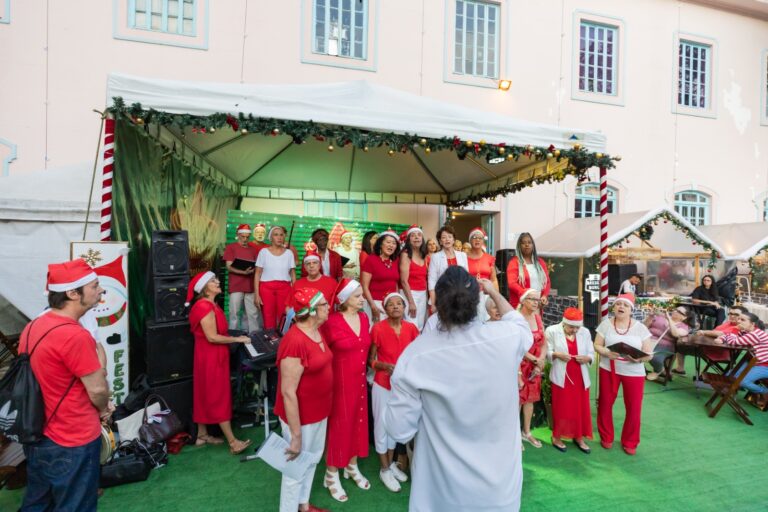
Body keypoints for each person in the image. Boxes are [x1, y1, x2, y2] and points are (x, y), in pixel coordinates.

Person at [384, 268, 533, 512]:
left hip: (440, 496)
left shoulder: (415, 355)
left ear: (435, 302)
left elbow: (399, 430)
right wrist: (493, 291)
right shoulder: (506, 338)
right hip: (499, 495)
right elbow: (518, 322)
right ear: (477, 301)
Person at [20, 259, 112, 512]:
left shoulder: (32, 326)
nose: (100, 290)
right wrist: (104, 408)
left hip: (39, 432)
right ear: (73, 294)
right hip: (73, 436)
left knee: (38, 502)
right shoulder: (74, 335)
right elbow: (97, 389)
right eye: (94, 286)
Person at [274, 288, 333, 512]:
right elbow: (288, 392)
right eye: (324, 304)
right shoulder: (294, 341)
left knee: (312, 459)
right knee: (295, 469)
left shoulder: (316, 331)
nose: (329, 307)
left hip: (318, 412)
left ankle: (303, 505)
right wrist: (296, 435)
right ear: (312, 311)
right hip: (301, 418)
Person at [187, 271, 252, 454]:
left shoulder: (209, 305)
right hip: (211, 357)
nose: (217, 282)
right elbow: (212, 337)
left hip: (208, 356)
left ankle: (202, 435)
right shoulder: (204, 306)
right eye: (213, 281)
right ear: (205, 288)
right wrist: (238, 339)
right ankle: (233, 442)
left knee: (204, 393)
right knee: (218, 396)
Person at [319, 279, 371, 502]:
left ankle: (352, 465)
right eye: (357, 296)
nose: (362, 299)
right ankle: (331, 473)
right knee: (339, 426)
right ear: (344, 299)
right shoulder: (331, 322)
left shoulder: (364, 318)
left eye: (362, 295)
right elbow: (320, 352)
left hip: (359, 382)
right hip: (338, 384)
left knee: (358, 421)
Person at [369, 292, 418, 492]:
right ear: (385, 308)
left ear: (405, 307)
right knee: (381, 426)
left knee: (394, 426)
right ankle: (384, 469)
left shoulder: (412, 329)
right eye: (391, 304)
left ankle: (390, 466)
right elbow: (370, 360)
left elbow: (417, 355)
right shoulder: (378, 328)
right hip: (382, 384)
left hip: (403, 386)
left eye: (399, 303)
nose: (396, 306)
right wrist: (382, 365)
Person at [593, 294, 653, 455]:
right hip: (608, 369)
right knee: (605, 404)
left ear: (631, 310)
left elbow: (649, 354)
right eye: (618, 304)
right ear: (613, 307)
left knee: (634, 408)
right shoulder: (605, 324)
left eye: (625, 305)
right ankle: (606, 437)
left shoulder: (641, 328)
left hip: (634, 372)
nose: (621, 307)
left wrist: (639, 359)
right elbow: (597, 345)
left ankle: (630, 441)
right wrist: (606, 352)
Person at [545, 308, 594, 454]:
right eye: (572, 327)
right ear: (564, 323)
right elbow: (546, 351)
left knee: (580, 408)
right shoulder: (552, 330)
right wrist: (556, 354)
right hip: (562, 376)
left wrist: (587, 358)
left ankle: (579, 437)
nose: (575, 330)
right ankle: (557, 437)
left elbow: (591, 352)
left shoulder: (585, 332)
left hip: (580, 376)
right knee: (562, 407)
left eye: (577, 327)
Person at [714, 311, 768, 401]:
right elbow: (728, 336)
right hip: (753, 361)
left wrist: (735, 330)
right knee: (730, 375)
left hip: (764, 365)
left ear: (752, 324)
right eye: (739, 319)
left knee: (743, 382)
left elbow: (733, 341)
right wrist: (722, 339)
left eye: (743, 320)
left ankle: (764, 391)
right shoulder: (747, 332)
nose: (738, 321)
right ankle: (730, 392)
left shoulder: (755, 335)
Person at [517, 288, 547, 449]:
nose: (536, 302)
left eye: (537, 299)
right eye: (532, 299)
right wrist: (535, 360)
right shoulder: (516, 318)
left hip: (535, 366)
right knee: (518, 399)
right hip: (520, 365)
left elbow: (544, 342)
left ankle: (526, 432)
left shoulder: (537, 317)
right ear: (523, 300)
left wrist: (541, 360)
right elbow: (516, 345)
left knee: (530, 399)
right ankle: (514, 434)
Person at [254, 226, 296, 331]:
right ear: (271, 237)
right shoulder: (263, 252)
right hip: (266, 288)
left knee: (284, 315)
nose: (279, 237)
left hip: (285, 288)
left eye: (281, 235)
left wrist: (294, 293)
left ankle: (283, 338)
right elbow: (257, 273)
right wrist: (256, 295)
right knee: (268, 315)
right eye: (276, 235)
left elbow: (293, 274)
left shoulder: (289, 253)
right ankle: (270, 338)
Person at [223, 223, 261, 332]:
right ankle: (233, 334)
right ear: (238, 235)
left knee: (251, 313)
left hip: (250, 286)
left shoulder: (253, 250)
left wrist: (253, 270)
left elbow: (257, 266)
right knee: (234, 313)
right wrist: (244, 272)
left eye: (247, 237)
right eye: (242, 236)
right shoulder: (231, 247)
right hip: (236, 286)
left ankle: (251, 335)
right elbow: (229, 267)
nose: (245, 239)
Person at [361, 229, 401, 324]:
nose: (391, 245)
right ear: (380, 244)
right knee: (374, 329)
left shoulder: (395, 261)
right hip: (374, 302)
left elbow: (395, 283)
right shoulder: (371, 259)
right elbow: (364, 286)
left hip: (390, 304)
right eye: (388, 242)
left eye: (394, 243)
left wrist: (396, 301)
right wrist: (373, 306)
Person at [644, 305, 694, 381]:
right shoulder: (659, 317)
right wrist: (650, 316)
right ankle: (641, 369)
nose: (675, 311)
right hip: (648, 340)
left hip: (665, 346)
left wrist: (669, 319)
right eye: (675, 309)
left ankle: (658, 370)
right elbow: (644, 327)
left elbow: (675, 334)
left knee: (655, 358)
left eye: (679, 312)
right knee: (633, 349)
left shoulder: (684, 326)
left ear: (684, 317)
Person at [427, 225, 468, 315]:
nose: (447, 239)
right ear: (440, 241)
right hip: (442, 298)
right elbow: (432, 281)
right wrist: (433, 303)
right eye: (444, 237)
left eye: (450, 236)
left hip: (459, 298)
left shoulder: (462, 255)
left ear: (453, 240)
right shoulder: (435, 257)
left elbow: (466, 278)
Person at [506, 232, 551, 308]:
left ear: (533, 245)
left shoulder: (540, 262)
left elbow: (547, 282)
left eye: (529, 242)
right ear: (519, 246)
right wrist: (526, 294)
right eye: (523, 243)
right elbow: (512, 283)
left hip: (537, 305)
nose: (527, 245)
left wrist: (544, 296)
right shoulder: (514, 262)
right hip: (521, 305)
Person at [399, 225, 429, 331]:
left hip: (422, 293)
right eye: (413, 235)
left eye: (419, 235)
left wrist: (427, 298)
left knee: (420, 325)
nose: (416, 237)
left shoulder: (424, 255)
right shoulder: (405, 255)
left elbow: (425, 279)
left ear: (422, 239)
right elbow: (403, 281)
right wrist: (411, 302)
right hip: (409, 293)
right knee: (411, 325)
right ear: (408, 240)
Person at [467, 227, 498, 322]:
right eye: (474, 237)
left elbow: (494, 279)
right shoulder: (463, 257)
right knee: (472, 322)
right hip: (470, 295)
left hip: (486, 294)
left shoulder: (490, 258)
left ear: (483, 241)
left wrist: (495, 296)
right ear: (470, 240)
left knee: (488, 321)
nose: (477, 240)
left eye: (480, 238)